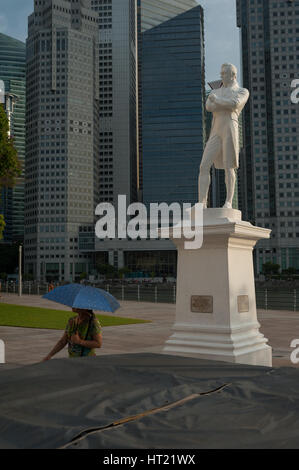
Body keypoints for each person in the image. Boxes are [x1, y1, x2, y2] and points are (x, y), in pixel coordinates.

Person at [198, 63, 249, 209]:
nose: (221, 76)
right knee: (204, 165)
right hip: (216, 130)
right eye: (221, 73)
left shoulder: (242, 91)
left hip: (229, 128)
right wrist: (220, 102)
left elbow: (235, 104)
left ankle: (228, 201)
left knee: (229, 166)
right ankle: (202, 203)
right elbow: (209, 107)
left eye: (224, 73)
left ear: (233, 75)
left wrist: (217, 101)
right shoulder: (217, 91)